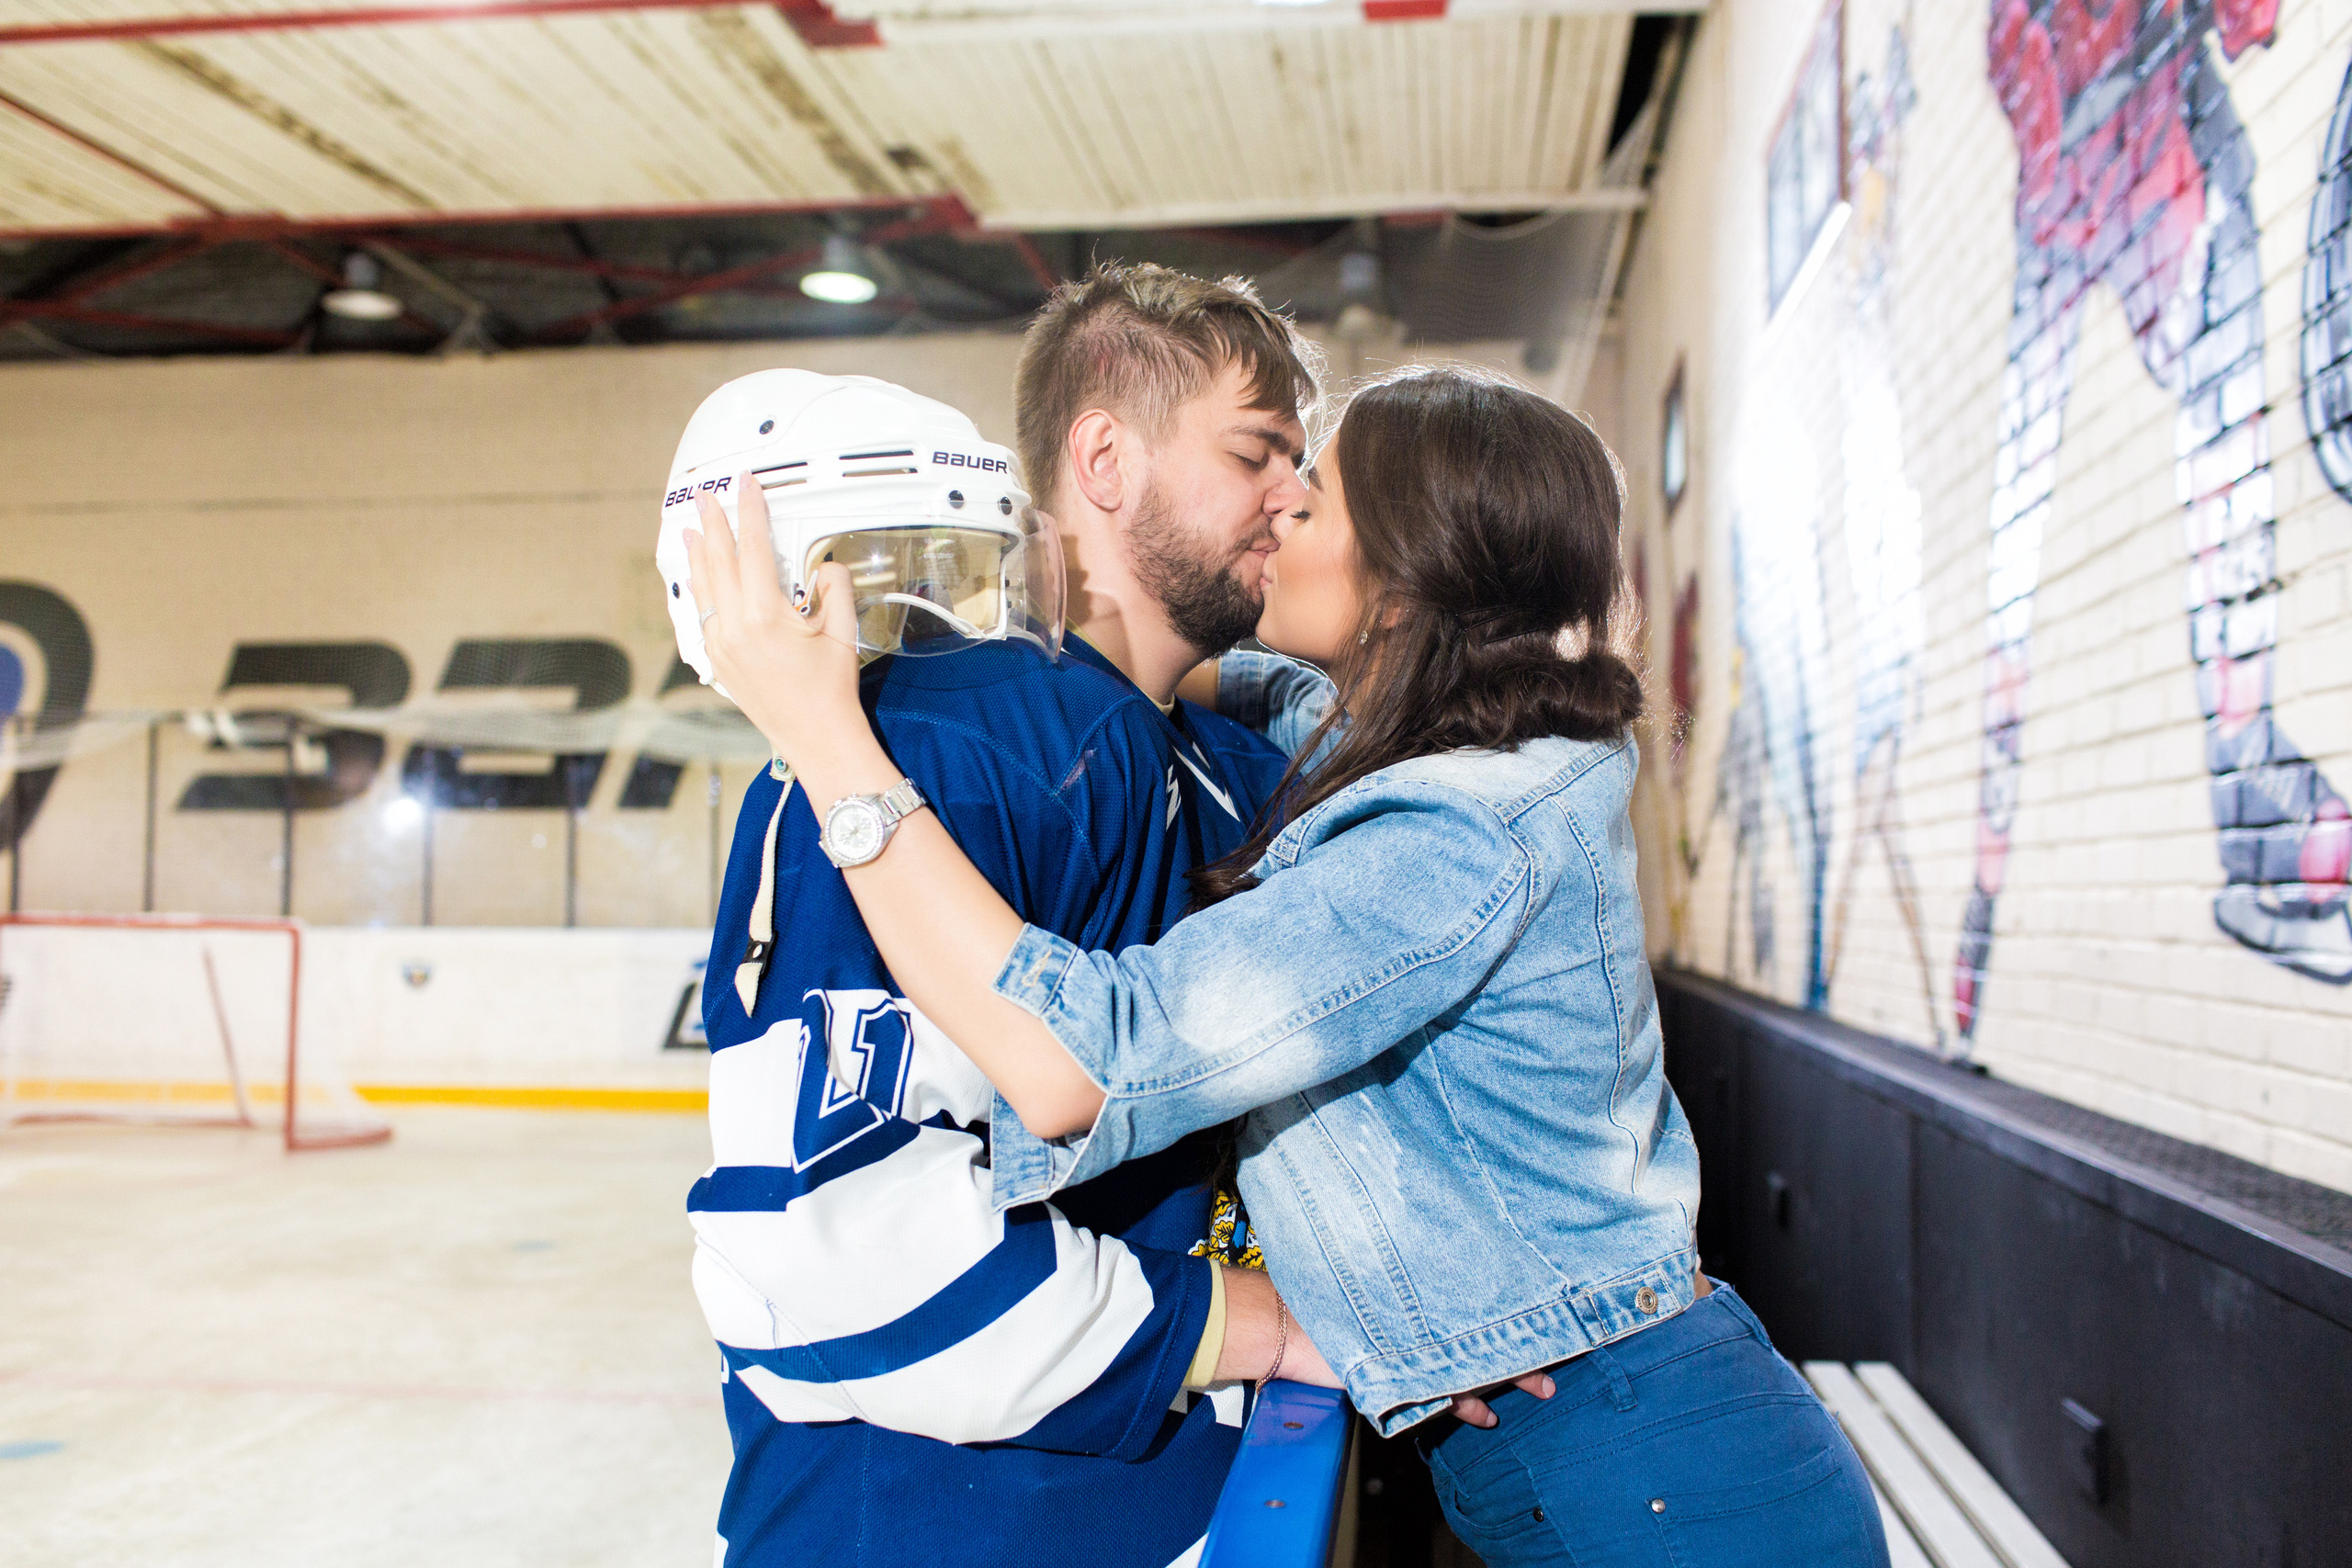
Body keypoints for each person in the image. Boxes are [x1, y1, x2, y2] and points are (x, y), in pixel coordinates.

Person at [686, 364, 1894, 1568]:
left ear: (1403, 588)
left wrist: (833, 739)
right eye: (1259, 465)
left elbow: (1083, 1063)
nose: (1277, 516)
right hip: (1623, 1445)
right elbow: (1186, 661)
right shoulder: (1407, 731)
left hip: (1656, 1479)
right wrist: (1036, 589)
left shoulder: (1454, 833)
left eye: (1308, 501)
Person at [657, 264, 1337, 1568]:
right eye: (1256, 453)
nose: (1291, 497)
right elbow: (841, 1250)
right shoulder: (937, 742)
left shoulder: (1222, 762)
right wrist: (1244, 1324)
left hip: (1139, 1504)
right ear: (1104, 458)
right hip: (926, 1525)